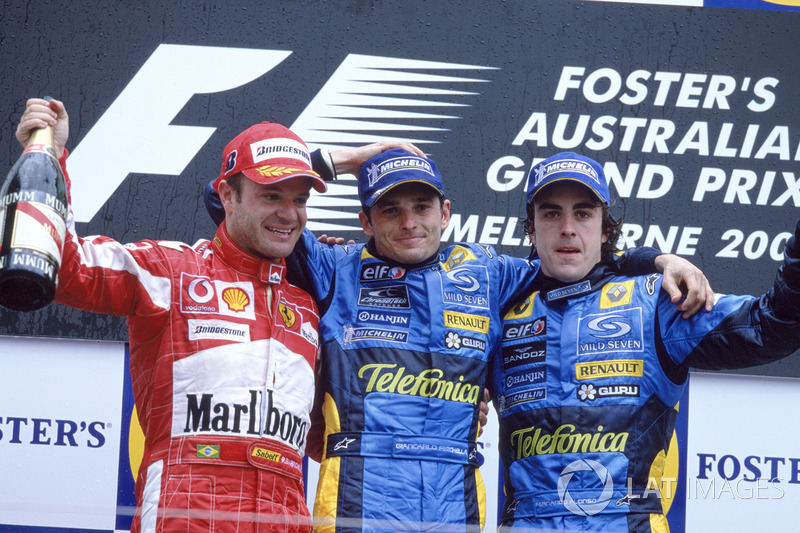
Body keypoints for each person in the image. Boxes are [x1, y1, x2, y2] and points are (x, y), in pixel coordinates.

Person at [204, 147, 712, 532]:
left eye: (421, 206)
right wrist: (349, 159)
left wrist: (657, 259)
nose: (409, 222)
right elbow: (233, 206)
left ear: (444, 213)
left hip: (455, 507)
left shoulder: (487, 273)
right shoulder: (333, 267)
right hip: (359, 503)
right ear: (365, 222)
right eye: (389, 209)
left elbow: (576, 259)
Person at [16, 98, 329, 532]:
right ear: (227, 195)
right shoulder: (171, 271)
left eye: (299, 199)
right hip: (185, 513)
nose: (288, 214)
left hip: (285, 517)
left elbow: (327, 437)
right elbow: (68, 269)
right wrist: (50, 155)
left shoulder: (307, 307)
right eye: (270, 195)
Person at [491, 151, 800, 532]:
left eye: (584, 214)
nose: (568, 228)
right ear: (532, 229)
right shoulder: (498, 309)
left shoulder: (656, 301)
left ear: (605, 230)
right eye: (551, 214)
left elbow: (772, 328)